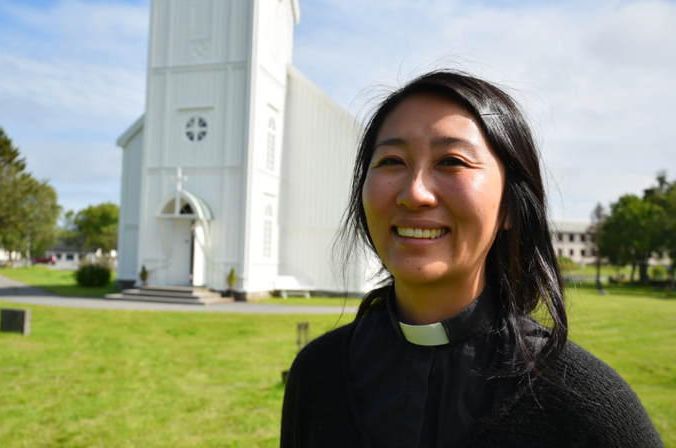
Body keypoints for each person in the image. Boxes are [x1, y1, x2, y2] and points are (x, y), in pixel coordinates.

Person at [280, 71, 664, 448]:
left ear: (511, 206)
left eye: (452, 161)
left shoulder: (586, 405)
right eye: (391, 161)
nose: (414, 194)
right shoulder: (319, 373)